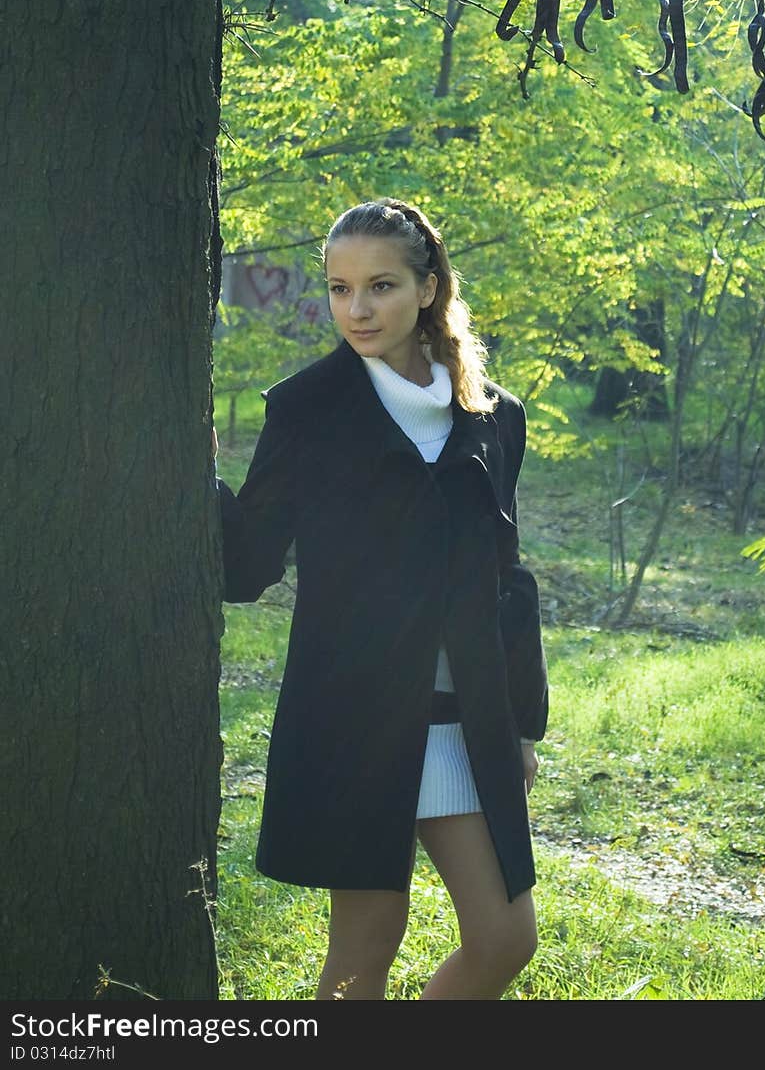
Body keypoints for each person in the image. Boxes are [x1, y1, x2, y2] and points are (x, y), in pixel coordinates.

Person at [214, 197, 549, 1000]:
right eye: (338, 288)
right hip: (354, 714)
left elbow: (506, 579)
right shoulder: (306, 409)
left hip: (465, 718)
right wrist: (188, 479)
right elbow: (246, 567)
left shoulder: (494, 416)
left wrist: (520, 723)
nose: (355, 310)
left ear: (428, 288)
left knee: (506, 938)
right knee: (365, 950)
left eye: (381, 286)